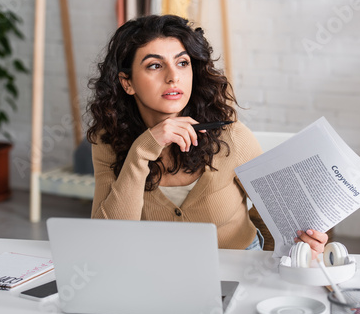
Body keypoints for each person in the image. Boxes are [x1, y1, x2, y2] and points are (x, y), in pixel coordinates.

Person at [86, 14, 327, 255]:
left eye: (182, 63)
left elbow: (281, 213)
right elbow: (107, 239)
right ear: (127, 83)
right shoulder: (109, 139)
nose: (173, 77)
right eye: (155, 65)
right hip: (159, 268)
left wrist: (300, 245)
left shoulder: (231, 136)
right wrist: (141, 151)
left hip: (238, 266)